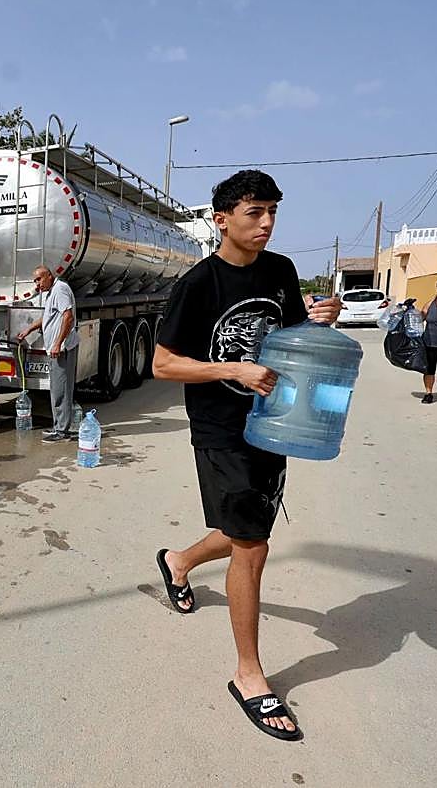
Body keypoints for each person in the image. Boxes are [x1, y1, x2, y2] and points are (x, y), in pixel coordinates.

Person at [150, 169, 341, 742]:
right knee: (253, 544)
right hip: (220, 429)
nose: (266, 223)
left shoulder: (280, 271)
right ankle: (249, 674)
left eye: (272, 212)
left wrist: (316, 323)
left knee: (243, 530)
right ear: (221, 219)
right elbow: (162, 365)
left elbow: (289, 337)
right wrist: (231, 367)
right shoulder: (198, 284)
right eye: (254, 212)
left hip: (272, 424)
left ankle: (178, 561)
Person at [16, 265, 78, 443]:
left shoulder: (60, 290)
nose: (37, 284)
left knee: (61, 390)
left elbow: (68, 317)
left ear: (50, 276)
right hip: (55, 349)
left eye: (39, 279)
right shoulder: (52, 292)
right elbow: (49, 317)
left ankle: (62, 431)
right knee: (57, 389)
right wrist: (29, 329)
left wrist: (58, 343)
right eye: (35, 280)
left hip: (62, 349)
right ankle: (59, 426)